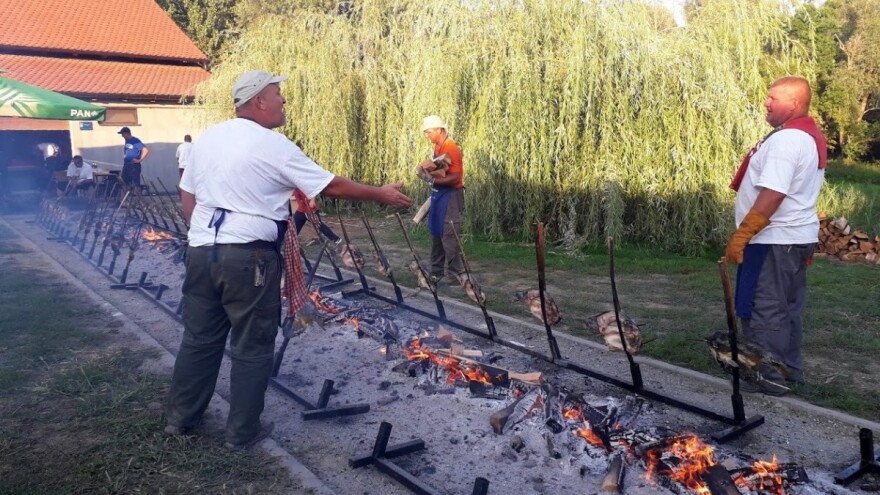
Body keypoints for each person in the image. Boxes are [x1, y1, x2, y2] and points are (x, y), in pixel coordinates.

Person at [165, 70, 412, 450]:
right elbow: (329, 185)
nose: (284, 102)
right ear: (259, 101)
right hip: (248, 258)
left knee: (199, 339)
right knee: (252, 345)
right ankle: (242, 432)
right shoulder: (272, 145)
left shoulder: (209, 138)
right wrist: (380, 194)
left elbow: (188, 194)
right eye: (278, 94)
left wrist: (200, 232)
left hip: (201, 252)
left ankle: (180, 421)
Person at [724, 76, 826, 396]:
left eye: (773, 98)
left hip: (772, 239)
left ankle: (765, 377)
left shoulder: (787, 141)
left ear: (793, 104)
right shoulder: (808, 136)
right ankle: (790, 368)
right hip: (794, 237)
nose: (766, 103)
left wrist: (742, 235)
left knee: (762, 307)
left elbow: (773, 194)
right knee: (787, 306)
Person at [419, 115, 464, 285]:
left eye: (428, 132)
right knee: (436, 233)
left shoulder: (451, 148)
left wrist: (432, 180)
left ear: (439, 130)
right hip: (439, 194)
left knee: (449, 233)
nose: (426, 135)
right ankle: (437, 271)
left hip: (451, 195)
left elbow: (455, 177)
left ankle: (456, 274)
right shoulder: (438, 146)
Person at [118, 127, 149, 194]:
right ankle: (124, 201)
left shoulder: (135, 141)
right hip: (126, 165)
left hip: (134, 166)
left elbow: (145, 150)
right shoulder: (127, 141)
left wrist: (139, 160)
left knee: (136, 184)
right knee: (124, 183)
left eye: (123, 134)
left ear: (127, 133)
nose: (122, 136)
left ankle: (137, 202)